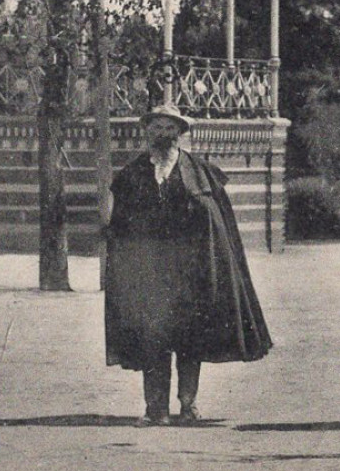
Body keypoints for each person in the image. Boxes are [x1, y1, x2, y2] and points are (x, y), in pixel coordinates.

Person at [104, 105, 272, 425]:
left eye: (169, 129)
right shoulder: (131, 176)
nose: (162, 135)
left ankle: (188, 404)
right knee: (153, 339)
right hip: (149, 275)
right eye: (156, 128)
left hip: (190, 273)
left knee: (189, 340)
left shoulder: (201, 173)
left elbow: (218, 227)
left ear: (180, 134)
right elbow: (119, 228)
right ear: (147, 133)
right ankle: (155, 409)